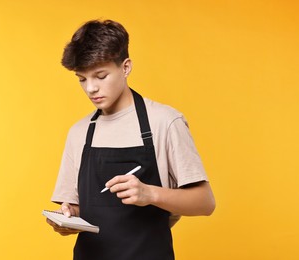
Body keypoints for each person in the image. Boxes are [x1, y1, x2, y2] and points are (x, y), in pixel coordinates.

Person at [46, 19, 215, 260]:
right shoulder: (79, 132)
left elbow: (205, 203)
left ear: (125, 67)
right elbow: (81, 206)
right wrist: (68, 216)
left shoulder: (165, 122)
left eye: (100, 76)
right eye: (82, 79)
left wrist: (149, 194)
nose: (91, 88)